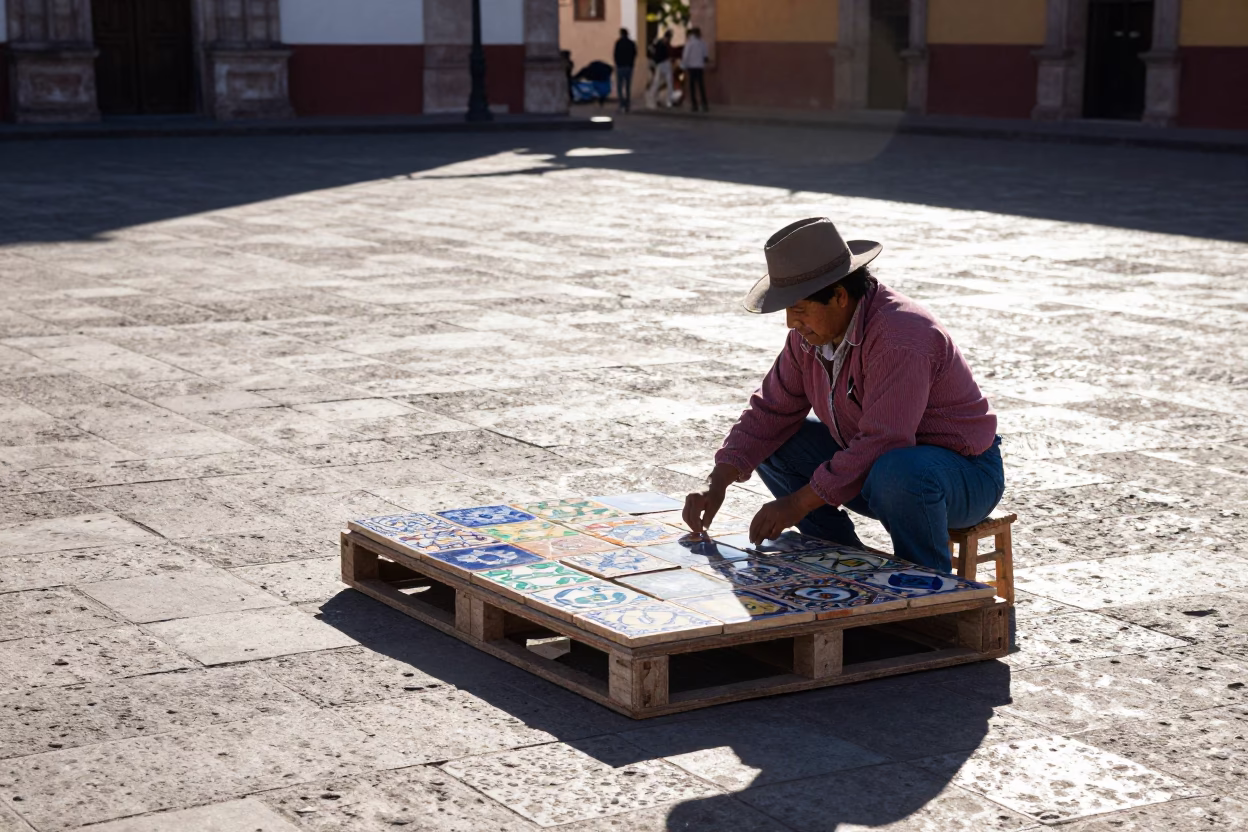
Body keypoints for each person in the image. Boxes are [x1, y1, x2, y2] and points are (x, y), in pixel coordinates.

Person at [682, 218, 1004, 573]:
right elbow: (769, 411)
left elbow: (885, 441)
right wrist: (717, 482)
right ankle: (841, 562)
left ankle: (928, 592)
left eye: (800, 310)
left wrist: (795, 504)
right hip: (875, 470)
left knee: (899, 470)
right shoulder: (808, 337)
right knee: (778, 441)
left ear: (839, 296)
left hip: (960, 474)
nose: (791, 323)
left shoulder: (901, 337)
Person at [682, 27, 709, 112]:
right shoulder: (702, 43)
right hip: (700, 66)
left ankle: (694, 105)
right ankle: (704, 104)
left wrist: (683, 66)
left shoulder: (689, 43)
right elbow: (705, 56)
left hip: (691, 67)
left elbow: (686, 56)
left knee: (692, 86)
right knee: (701, 86)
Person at [647, 30, 675, 108]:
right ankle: (653, 98)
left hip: (662, 63)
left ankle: (667, 100)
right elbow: (652, 50)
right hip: (662, 64)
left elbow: (651, 50)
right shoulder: (660, 43)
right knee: (659, 82)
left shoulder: (661, 43)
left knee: (667, 82)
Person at [613, 28, 637, 113]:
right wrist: (631, 63)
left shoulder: (618, 43)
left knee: (620, 86)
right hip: (629, 67)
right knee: (627, 86)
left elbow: (615, 54)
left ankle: (621, 104)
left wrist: (617, 63)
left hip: (620, 66)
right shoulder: (632, 43)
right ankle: (627, 104)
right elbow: (634, 54)